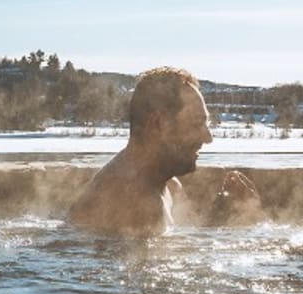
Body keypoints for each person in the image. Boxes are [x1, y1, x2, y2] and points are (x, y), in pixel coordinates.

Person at [66, 67, 213, 236]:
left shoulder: (165, 183)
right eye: (196, 124)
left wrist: (227, 211)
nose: (208, 138)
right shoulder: (133, 203)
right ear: (158, 124)